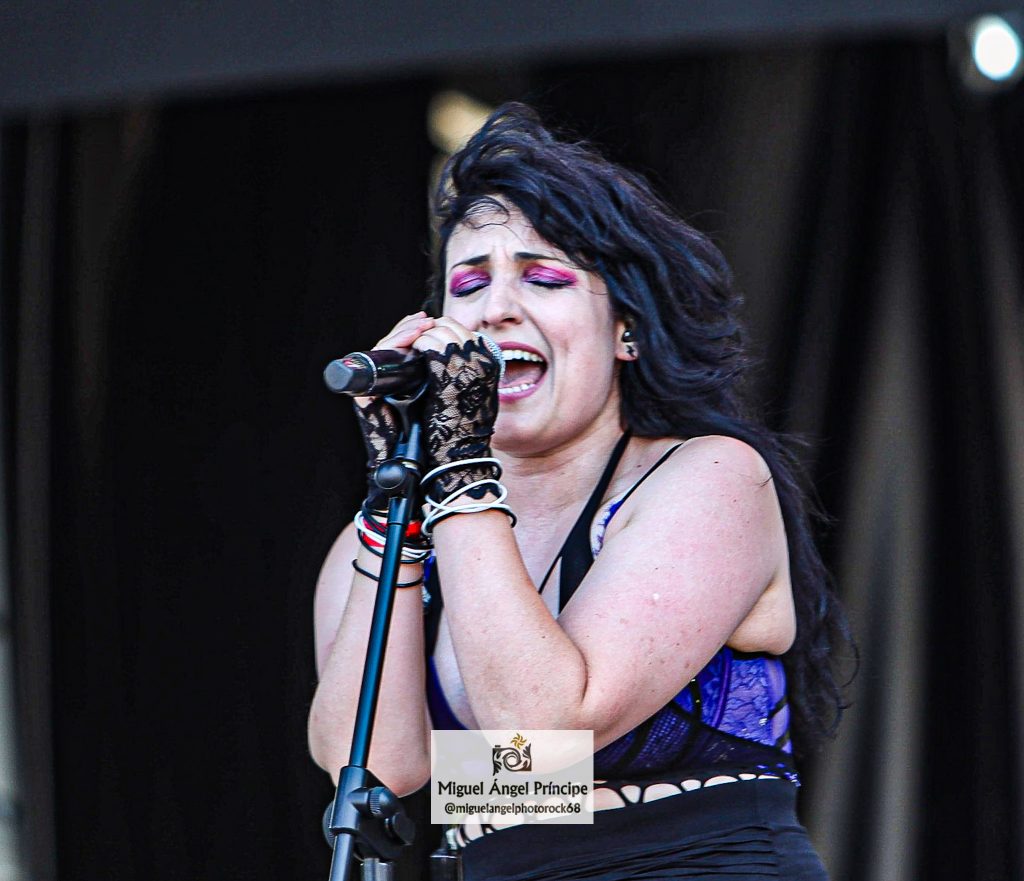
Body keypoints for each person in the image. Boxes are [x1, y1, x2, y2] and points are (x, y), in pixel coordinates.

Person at [308, 103, 849, 880]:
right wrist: (395, 499)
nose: (497, 308)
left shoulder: (713, 477)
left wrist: (459, 467)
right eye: (469, 283)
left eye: (544, 277)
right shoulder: (398, 531)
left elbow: (546, 723)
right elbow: (378, 766)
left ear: (628, 327)